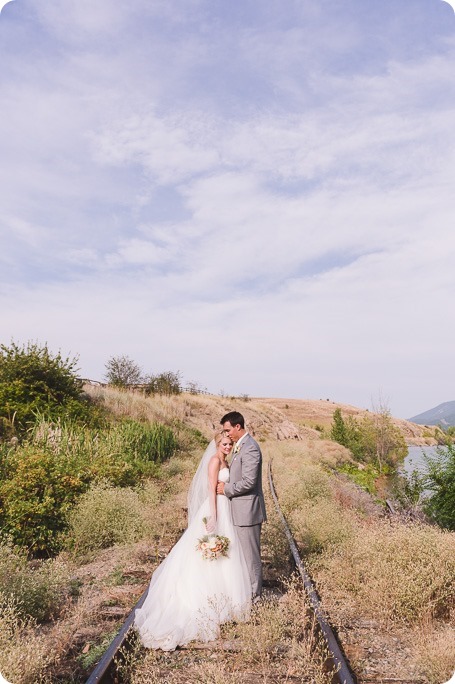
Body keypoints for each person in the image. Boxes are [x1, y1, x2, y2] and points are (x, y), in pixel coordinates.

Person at [134, 431, 251, 651]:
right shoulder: (215, 461)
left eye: (230, 443)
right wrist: (214, 516)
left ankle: (224, 604)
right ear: (217, 444)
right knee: (211, 556)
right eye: (224, 444)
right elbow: (210, 488)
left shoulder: (226, 459)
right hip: (217, 509)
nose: (228, 446)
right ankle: (206, 603)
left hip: (226, 509)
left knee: (227, 555)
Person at [217, 411, 266, 602]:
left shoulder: (250, 448)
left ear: (238, 427)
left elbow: (249, 482)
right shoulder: (240, 447)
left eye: (228, 430)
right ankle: (245, 594)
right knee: (242, 556)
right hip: (238, 511)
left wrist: (226, 489)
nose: (227, 434)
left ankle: (255, 598)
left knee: (250, 558)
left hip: (247, 512)